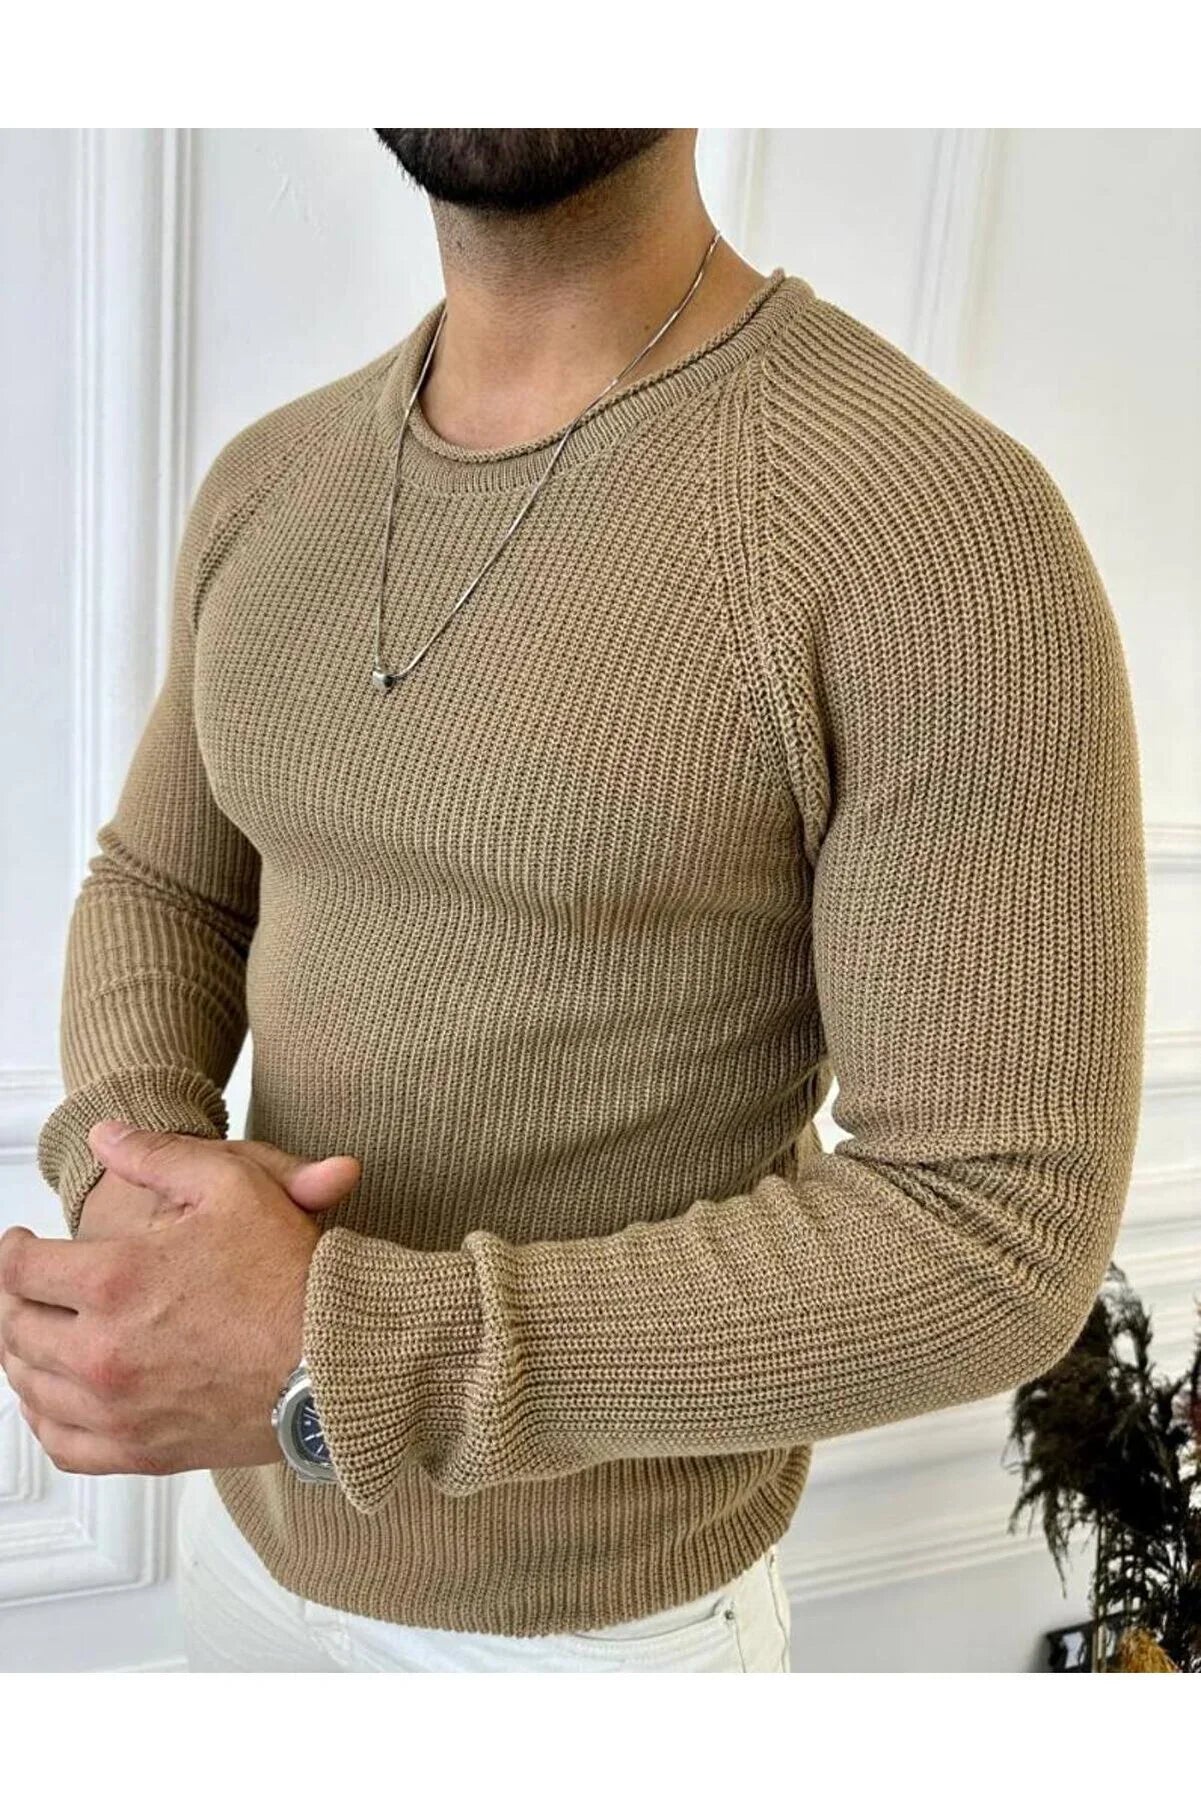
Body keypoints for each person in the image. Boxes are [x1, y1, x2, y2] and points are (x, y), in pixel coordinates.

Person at [0, 128, 1146, 1674]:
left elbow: (991, 1229)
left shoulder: (930, 523)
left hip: (596, 1640)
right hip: (248, 1549)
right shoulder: (271, 479)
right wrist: (133, 1177)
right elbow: (165, 884)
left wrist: (340, 1347)